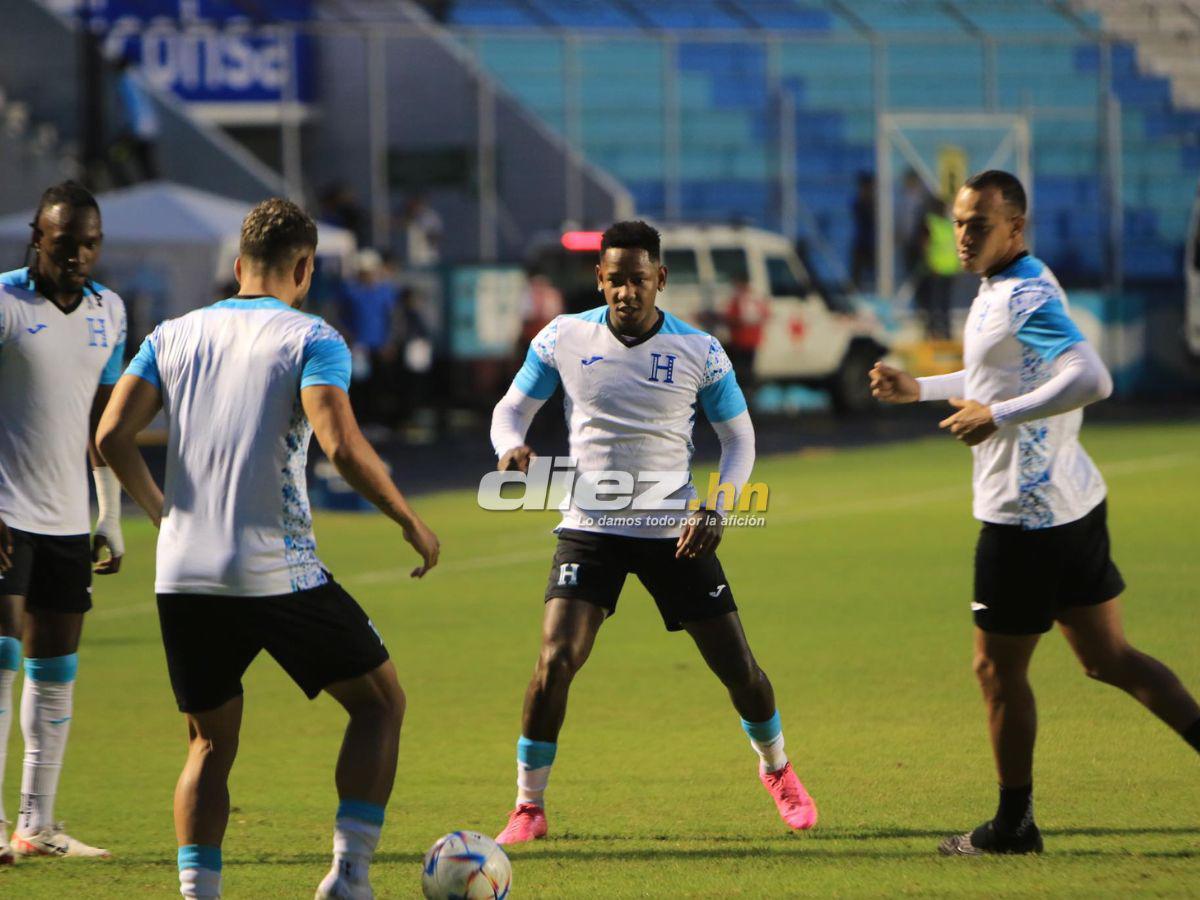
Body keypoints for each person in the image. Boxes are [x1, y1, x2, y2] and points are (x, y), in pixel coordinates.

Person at [96, 198, 440, 899]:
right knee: (380, 705)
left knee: (208, 744)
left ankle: (199, 894)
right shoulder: (312, 337)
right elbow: (340, 444)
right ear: (305, 269)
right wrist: (408, 518)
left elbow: (108, 438)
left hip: (184, 574)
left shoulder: (173, 334)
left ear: (236, 266)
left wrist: (164, 515)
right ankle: (348, 877)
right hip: (275, 570)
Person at [869, 170, 1200, 857]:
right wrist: (921, 389)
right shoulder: (1002, 288)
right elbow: (1003, 378)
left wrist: (1000, 416)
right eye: (959, 223)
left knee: (996, 672)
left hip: (1025, 517)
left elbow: (1092, 377)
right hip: (1072, 501)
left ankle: (1013, 825)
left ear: (1015, 229)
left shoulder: (1024, 293)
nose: (962, 237)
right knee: (1110, 659)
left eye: (978, 225)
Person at [488, 220, 816, 845]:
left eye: (639, 280)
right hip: (591, 525)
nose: (626, 292)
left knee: (738, 667)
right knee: (555, 660)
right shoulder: (564, 336)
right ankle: (529, 806)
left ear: (660, 279)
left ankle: (777, 769)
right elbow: (511, 409)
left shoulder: (700, 350)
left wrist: (717, 508)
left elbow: (739, 437)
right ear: (600, 279)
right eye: (615, 280)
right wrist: (510, 447)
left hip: (675, 529)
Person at [0, 181, 127, 861]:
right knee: (1, 657)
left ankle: (36, 824)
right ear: (36, 236)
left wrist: (108, 515)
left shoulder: (111, 310)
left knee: (55, 669)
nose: (79, 254)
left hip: (67, 519)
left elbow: (102, 425)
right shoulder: (4, 300)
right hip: (5, 512)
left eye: (90, 243)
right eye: (65, 242)